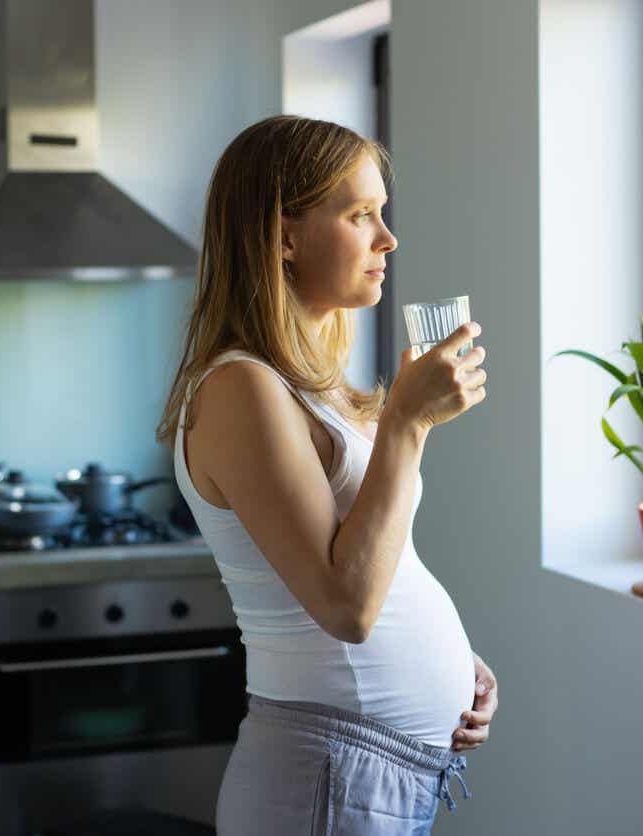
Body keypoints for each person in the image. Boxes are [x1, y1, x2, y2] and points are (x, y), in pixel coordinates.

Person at [156, 114, 499, 835]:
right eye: (360, 214)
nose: (387, 239)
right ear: (284, 236)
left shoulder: (309, 383)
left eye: (382, 213)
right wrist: (407, 423)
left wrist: (453, 663)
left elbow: (379, 557)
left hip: (367, 770)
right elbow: (344, 606)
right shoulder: (240, 388)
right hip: (326, 776)